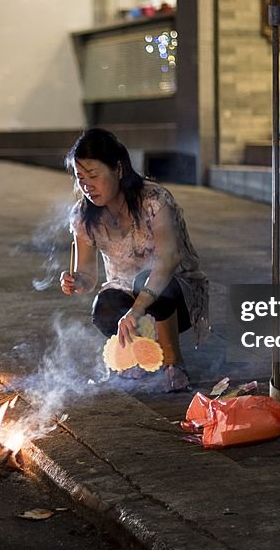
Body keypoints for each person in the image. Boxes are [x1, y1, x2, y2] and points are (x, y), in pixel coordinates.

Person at [60, 128, 209, 392]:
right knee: (104, 305)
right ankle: (135, 357)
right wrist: (76, 281)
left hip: (176, 295)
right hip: (126, 297)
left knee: (145, 281)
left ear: (118, 169)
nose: (86, 186)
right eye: (81, 178)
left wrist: (137, 309)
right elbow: (88, 276)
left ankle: (174, 364)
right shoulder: (83, 215)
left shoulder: (153, 200)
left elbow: (169, 259)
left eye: (94, 176)